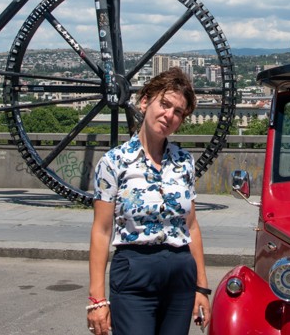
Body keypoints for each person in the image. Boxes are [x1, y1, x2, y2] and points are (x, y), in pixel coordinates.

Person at [87, 67, 211, 335]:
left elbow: (191, 226)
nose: (169, 115)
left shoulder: (184, 162)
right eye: (164, 104)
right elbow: (101, 231)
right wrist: (97, 300)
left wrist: (201, 287)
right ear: (145, 102)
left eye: (178, 112)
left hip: (180, 275)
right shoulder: (114, 162)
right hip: (134, 272)